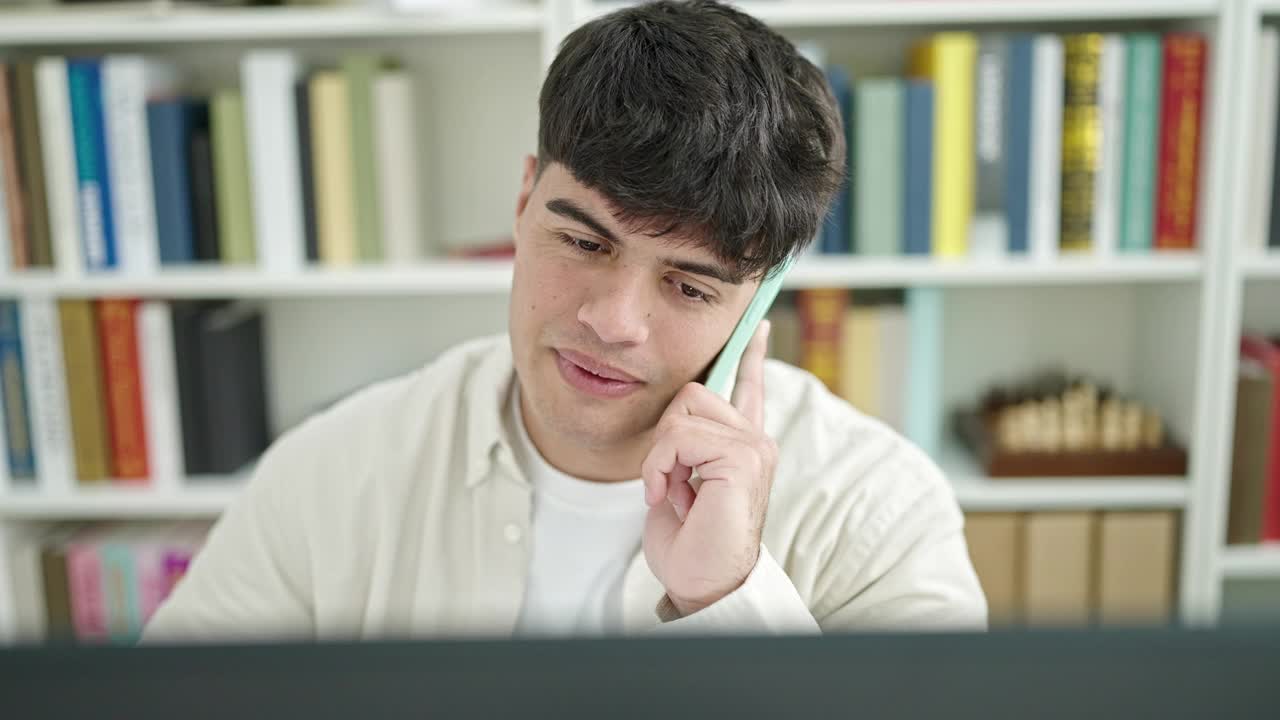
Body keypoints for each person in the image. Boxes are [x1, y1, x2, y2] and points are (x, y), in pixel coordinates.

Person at [144, 0, 985, 641]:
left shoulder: (878, 509)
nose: (614, 321)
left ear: (761, 301)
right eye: (583, 241)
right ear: (522, 200)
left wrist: (725, 598)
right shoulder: (330, 476)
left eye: (690, 288)